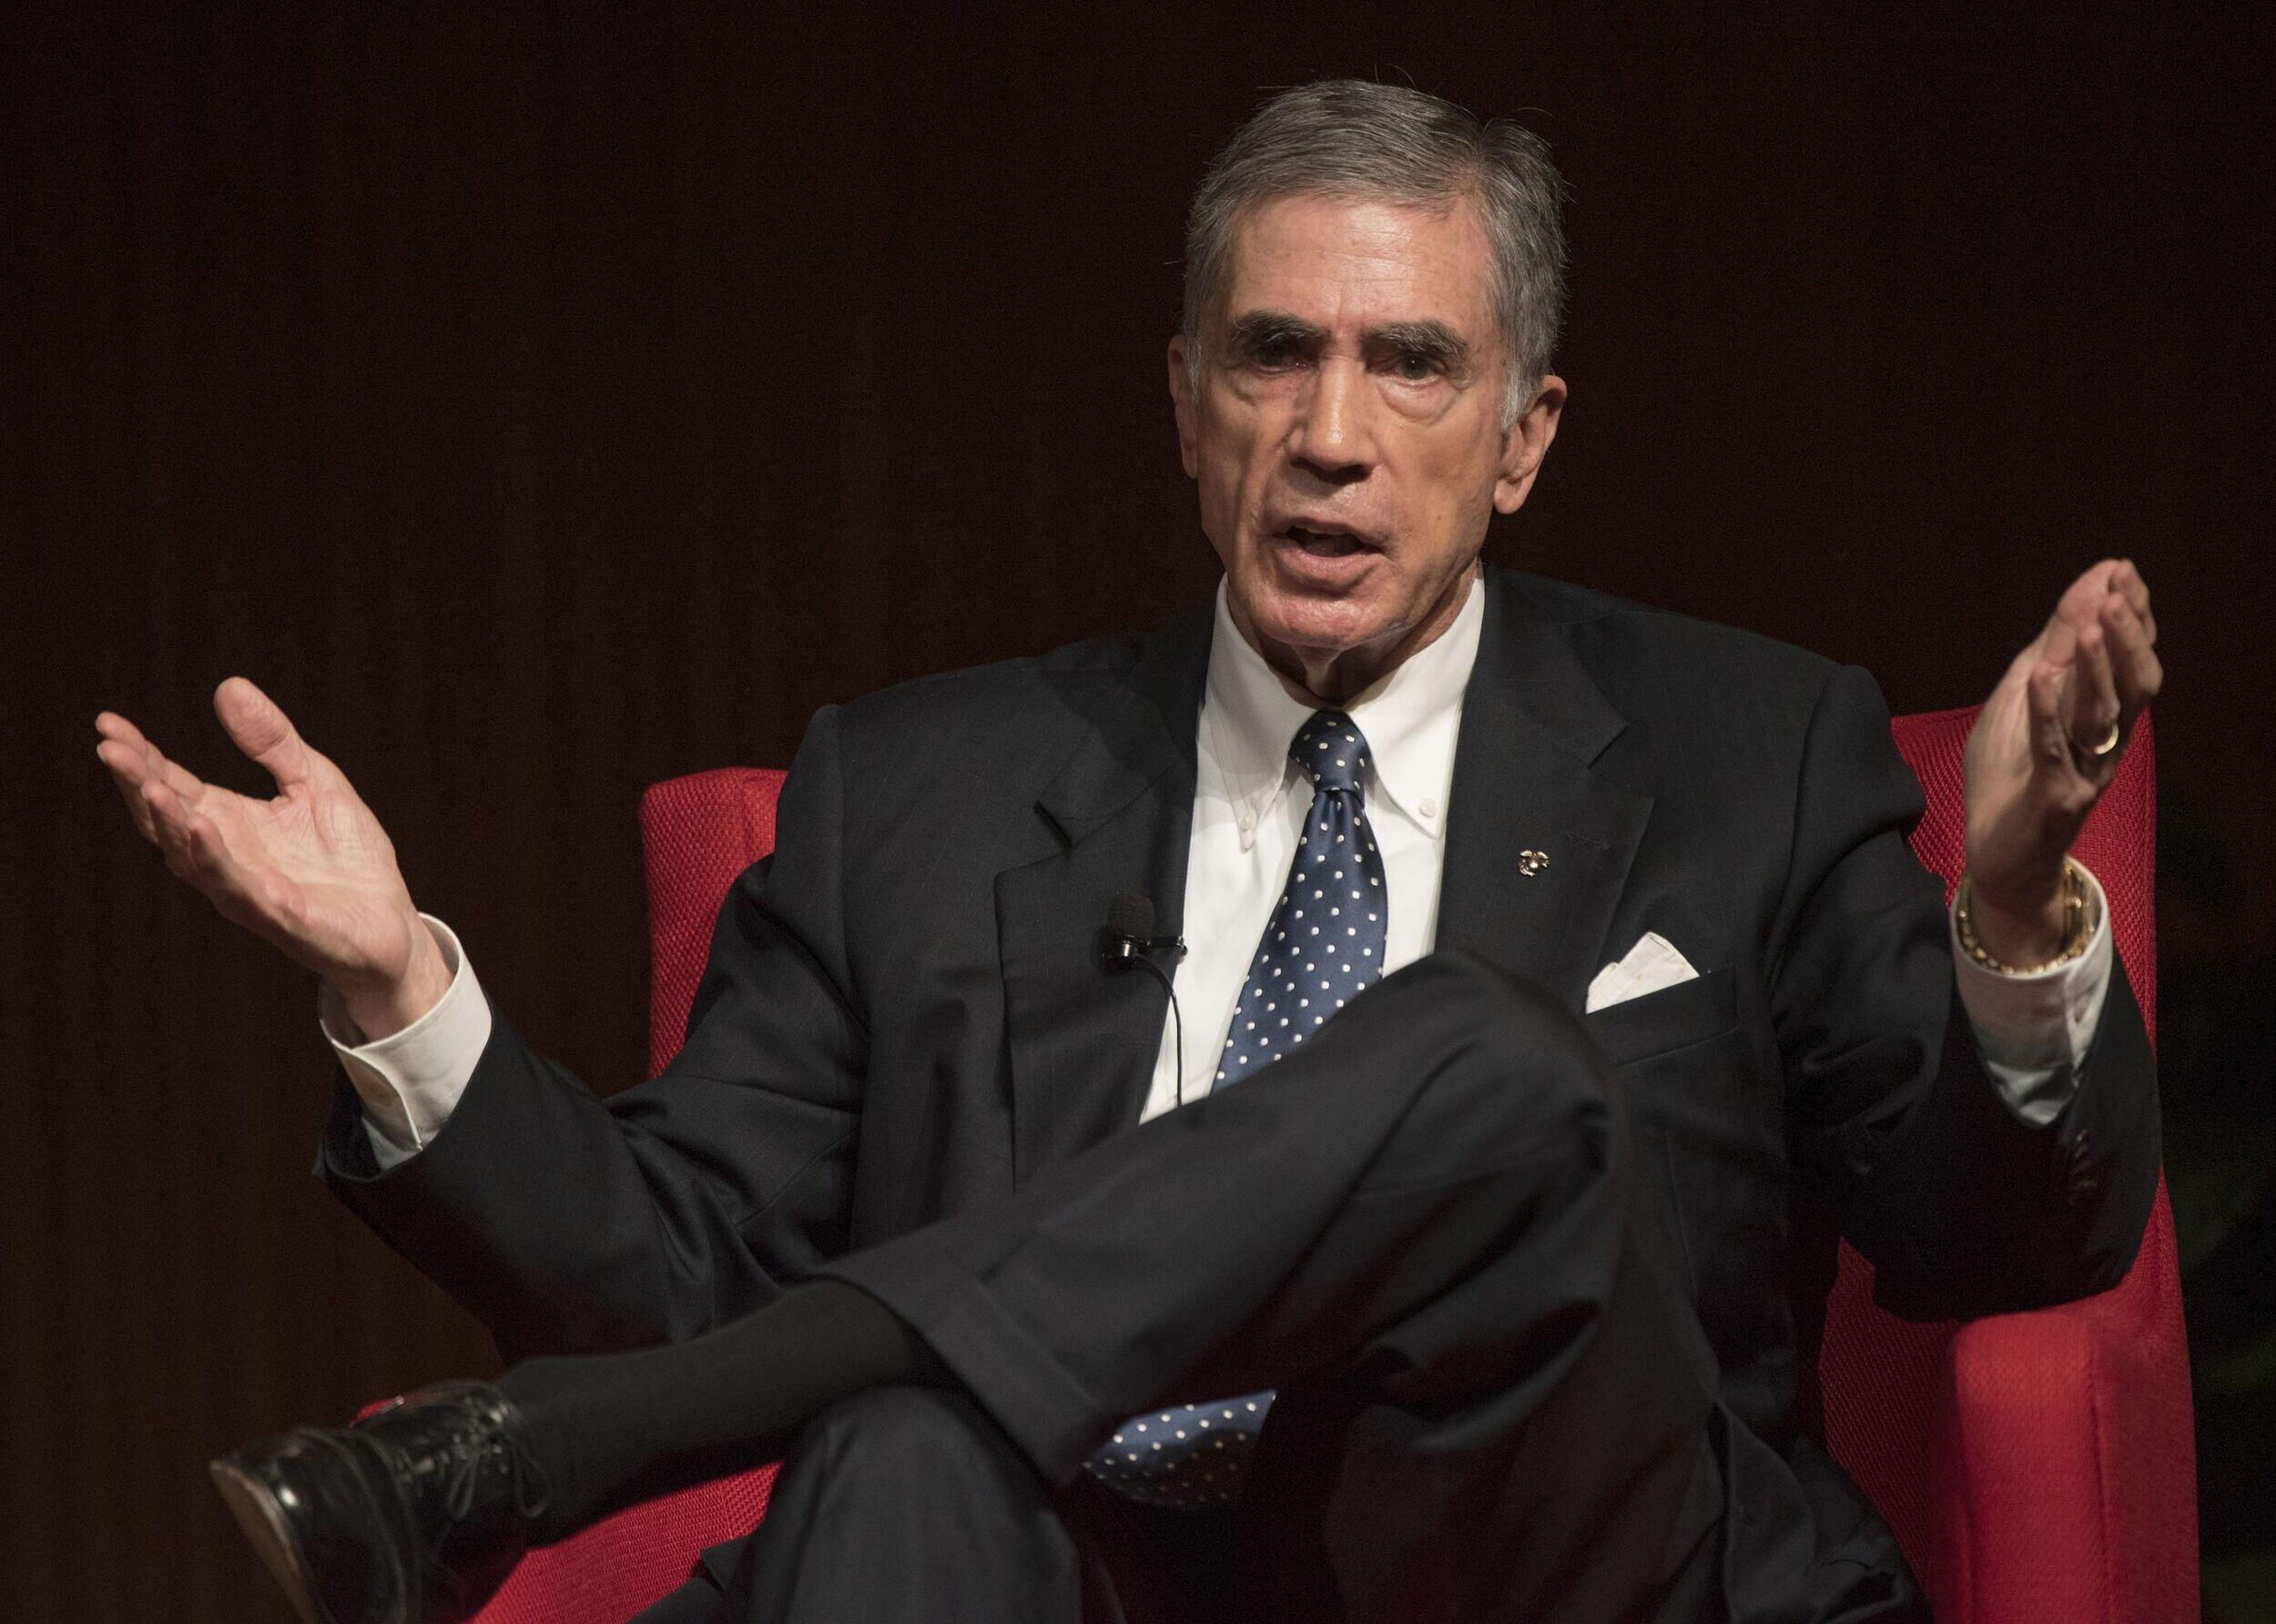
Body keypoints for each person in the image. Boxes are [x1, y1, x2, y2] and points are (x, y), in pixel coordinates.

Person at [97, 80, 2164, 1624]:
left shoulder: (1745, 749)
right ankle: (616, 1438)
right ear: (1185, 403)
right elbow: (674, 1265)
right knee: (900, 1456)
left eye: (1411, 364)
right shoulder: (916, 790)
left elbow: (1995, 1245)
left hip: (1538, 1552)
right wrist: (399, 989)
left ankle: (536, 1464)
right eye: (1272, 354)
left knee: (1493, 1065)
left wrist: (2002, 914)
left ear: (1523, 435)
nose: (1329, 433)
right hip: (1066, 1566)